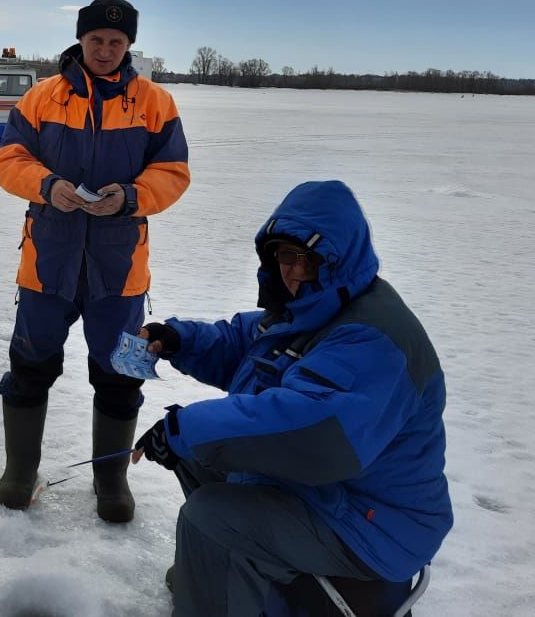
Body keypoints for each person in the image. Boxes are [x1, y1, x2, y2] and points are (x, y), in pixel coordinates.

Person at [132, 180, 452, 616]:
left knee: (209, 517)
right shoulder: (316, 309)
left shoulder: (372, 336)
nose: (295, 271)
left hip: (374, 521)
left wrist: (188, 427)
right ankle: (219, 576)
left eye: (309, 259)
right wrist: (178, 340)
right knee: (196, 456)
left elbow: (311, 429)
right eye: (285, 256)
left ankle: (216, 586)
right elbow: (246, 343)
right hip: (330, 493)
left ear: (339, 259)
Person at [0, 0, 191, 522]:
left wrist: (129, 196)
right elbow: (10, 160)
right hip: (46, 264)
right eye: (97, 40)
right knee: (29, 365)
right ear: (81, 40)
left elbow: (173, 173)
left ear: (129, 46)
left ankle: (111, 479)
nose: (105, 50)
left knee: (123, 373)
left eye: (116, 42)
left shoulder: (155, 103)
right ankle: (20, 470)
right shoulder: (41, 98)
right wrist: (46, 184)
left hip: (120, 270)